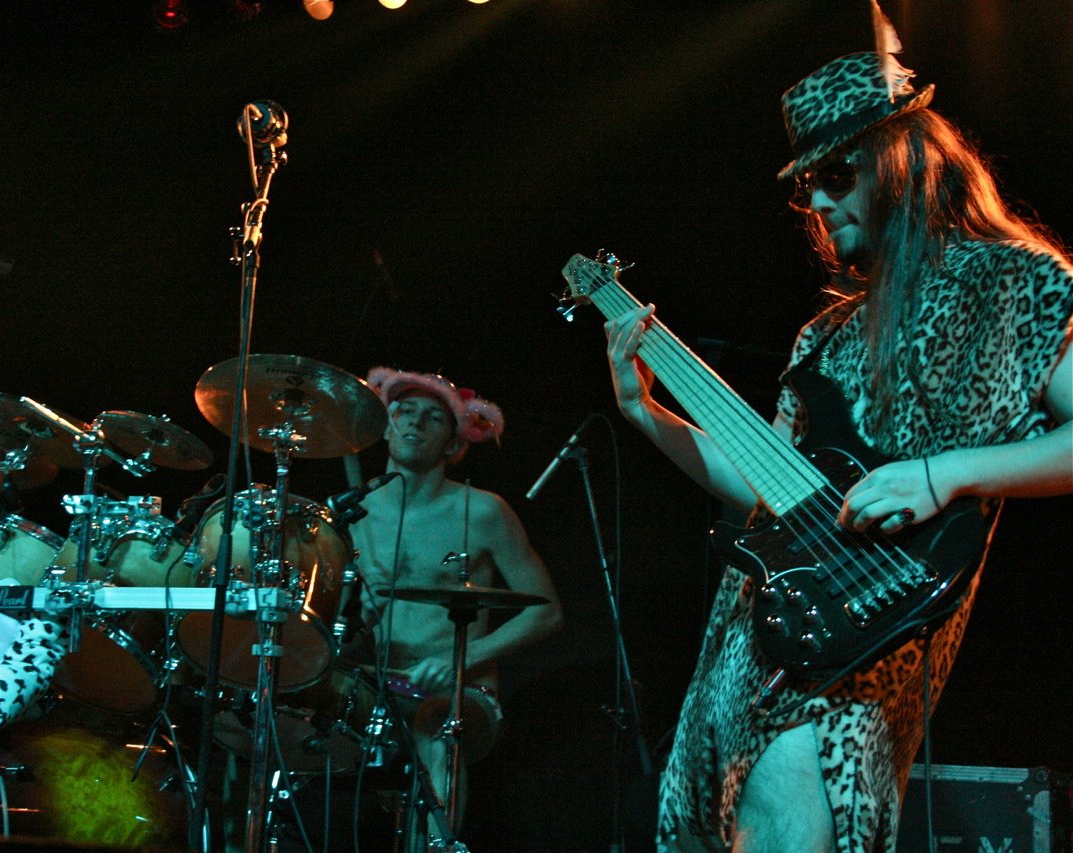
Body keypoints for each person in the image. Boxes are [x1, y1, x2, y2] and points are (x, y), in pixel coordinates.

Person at [603, 50, 1073, 851]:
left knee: (801, 780)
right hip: (770, 621)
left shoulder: (1015, 281)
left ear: (904, 162)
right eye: (807, 187)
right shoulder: (823, 338)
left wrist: (944, 474)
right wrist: (642, 411)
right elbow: (763, 486)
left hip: (878, 621)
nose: (818, 203)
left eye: (836, 175)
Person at [347, 366, 562, 840]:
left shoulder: (483, 510)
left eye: (434, 417)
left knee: (437, 726)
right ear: (386, 427)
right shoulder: (352, 511)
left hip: (459, 689)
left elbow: (546, 610)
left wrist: (460, 659)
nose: (415, 422)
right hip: (371, 681)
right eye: (404, 411)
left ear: (453, 443)